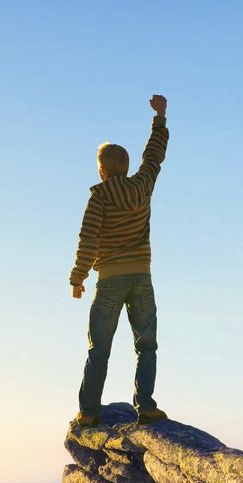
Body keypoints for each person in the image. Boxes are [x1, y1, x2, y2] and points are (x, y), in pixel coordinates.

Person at [69, 94, 170, 427]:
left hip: (110, 280)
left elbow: (89, 239)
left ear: (101, 170)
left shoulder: (99, 197)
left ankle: (88, 412)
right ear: (126, 168)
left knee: (99, 349)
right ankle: (146, 406)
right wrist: (160, 117)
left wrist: (78, 276)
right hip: (142, 278)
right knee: (147, 346)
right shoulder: (142, 186)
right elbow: (154, 155)